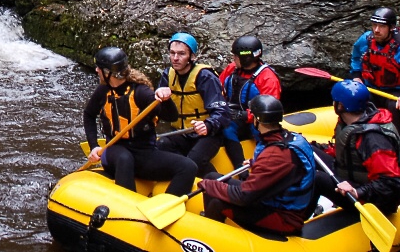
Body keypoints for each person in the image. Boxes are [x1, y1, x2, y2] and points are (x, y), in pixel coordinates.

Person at [83, 46, 197, 196]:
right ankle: (125, 208)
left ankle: (163, 207)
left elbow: (171, 116)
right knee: (125, 158)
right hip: (114, 151)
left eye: (100, 68)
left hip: (143, 153)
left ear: (109, 72)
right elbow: (89, 115)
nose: (97, 70)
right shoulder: (103, 91)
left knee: (188, 167)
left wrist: (166, 100)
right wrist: (94, 146)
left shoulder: (141, 92)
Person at [199, 94, 317, 236]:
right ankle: (211, 221)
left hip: (284, 217)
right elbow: (281, 168)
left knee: (217, 201)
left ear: (257, 119)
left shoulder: (275, 155)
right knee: (213, 176)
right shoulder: (292, 138)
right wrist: (256, 163)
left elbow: (243, 197)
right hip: (270, 199)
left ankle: (209, 241)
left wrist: (208, 185)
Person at [313, 79, 400, 214]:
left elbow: (390, 183)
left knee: (318, 178)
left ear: (340, 106)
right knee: (307, 151)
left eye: (334, 101)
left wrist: (357, 192)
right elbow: (346, 154)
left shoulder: (373, 140)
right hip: (353, 181)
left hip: (372, 200)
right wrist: (316, 147)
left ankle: (294, 223)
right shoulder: (349, 123)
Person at [155, 32, 231, 174]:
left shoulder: (205, 77)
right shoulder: (167, 75)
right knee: (161, 145)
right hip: (181, 132)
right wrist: (162, 101)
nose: (175, 58)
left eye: (181, 54)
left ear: (192, 56)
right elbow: (165, 115)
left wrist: (208, 125)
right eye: (172, 53)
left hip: (208, 134)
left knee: (194, 161)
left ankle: (218, 184)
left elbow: (223, 113)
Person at [220, 34, 281, 168]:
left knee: (260, 130)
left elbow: (269, 111)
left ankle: (266, 161)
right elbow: (219, 88)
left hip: (256, 119)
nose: (233, 58)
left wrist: (245, 115)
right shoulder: (232, 69)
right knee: (227, 128)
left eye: (236, 56)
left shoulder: (268, 78)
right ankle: (240, 168)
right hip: (233, 116)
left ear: (246, 58)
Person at [349, 7, 400, 129]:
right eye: (374, 25)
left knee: (395, 107)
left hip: (395, 92)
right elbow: (356, 57)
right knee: (355, 97)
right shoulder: (366, 39)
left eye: (381, 26)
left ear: (391, 27)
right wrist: (356, 76)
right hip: (371, 88)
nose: (376, 30)